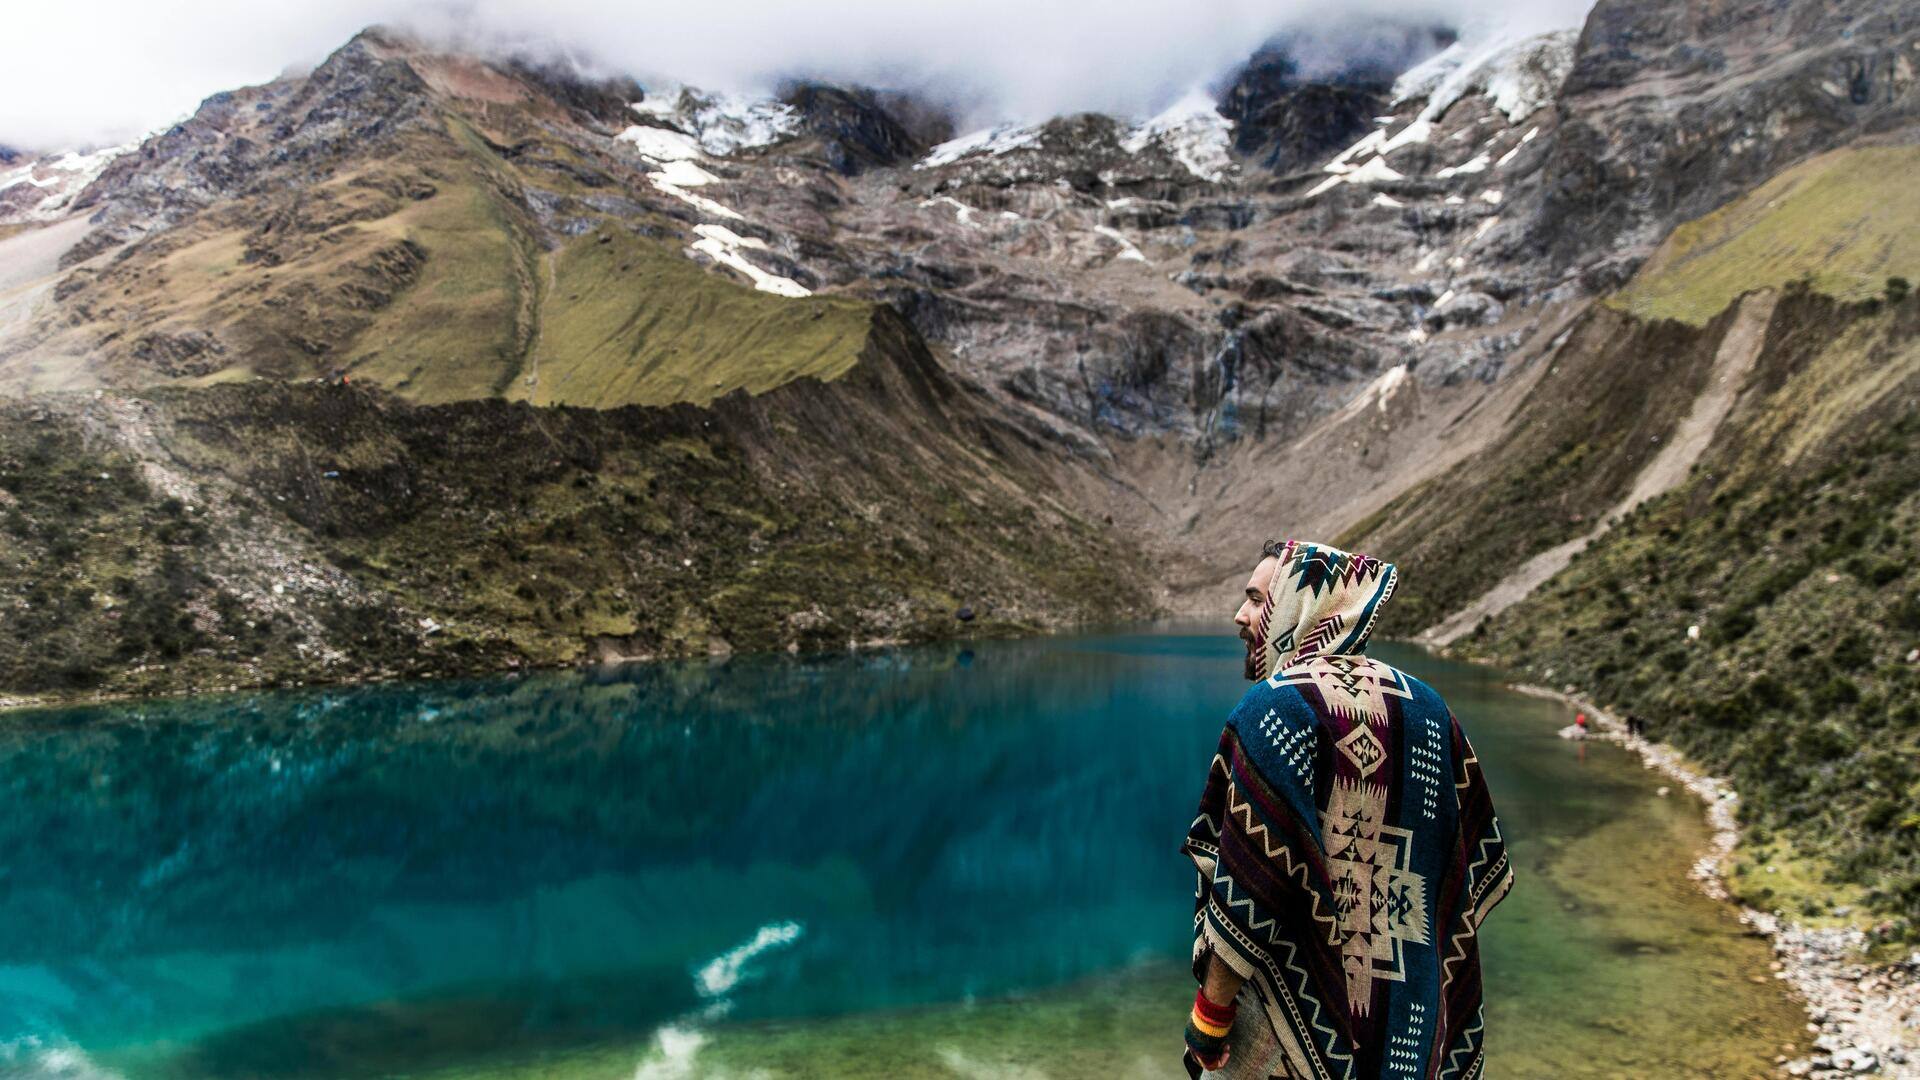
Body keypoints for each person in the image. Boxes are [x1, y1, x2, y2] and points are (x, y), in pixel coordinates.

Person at [1180, 539, 1514, 1078]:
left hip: (1293, 1035)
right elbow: (1472, 862)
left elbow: (1249, 886)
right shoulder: (1428, 708)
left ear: (1300, 606)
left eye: (1256, 600)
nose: (1239, 616)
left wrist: (1211, 1015)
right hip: (1412, 1024)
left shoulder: (1275, 708)